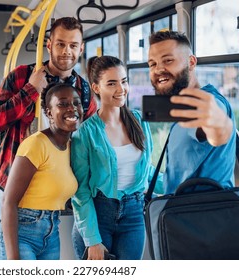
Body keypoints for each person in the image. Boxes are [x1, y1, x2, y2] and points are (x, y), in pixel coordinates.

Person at [0, 17, 97, 260]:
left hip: (50, 202)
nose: (67, 51)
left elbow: (87, 139)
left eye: (73, 45)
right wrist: (30, 91)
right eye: (60, 44)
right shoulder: (23, 76)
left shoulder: (83, 90)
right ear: (49, 45)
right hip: (10, 189)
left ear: (81, 48)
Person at [70, 56, 163, 260]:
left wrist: (179, 185)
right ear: (96, 87)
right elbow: (80, 191)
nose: (121, 89)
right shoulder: (85, 133)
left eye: (124, 81)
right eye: (111, 83)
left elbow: (146, 170)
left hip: (134, 213)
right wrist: (92, 240)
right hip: (98, 214)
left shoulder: (139, 121)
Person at [0, 83, 83, 260]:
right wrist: (13, 259)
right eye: (63, 104)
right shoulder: (36, 144)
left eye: (76, 103)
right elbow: (8, 202)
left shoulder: (71, 146)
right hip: (22, 233)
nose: (72, 109)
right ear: (49, 112)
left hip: (51, 234)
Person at [147, 30, 236, 194]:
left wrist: (220, 126)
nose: (158, 69)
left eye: (168, 60)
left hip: (200, 217)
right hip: (182, 214)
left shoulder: (207, 104)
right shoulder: (182, 106)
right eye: (152, 64)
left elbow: (218, 130)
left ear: (192, 62)